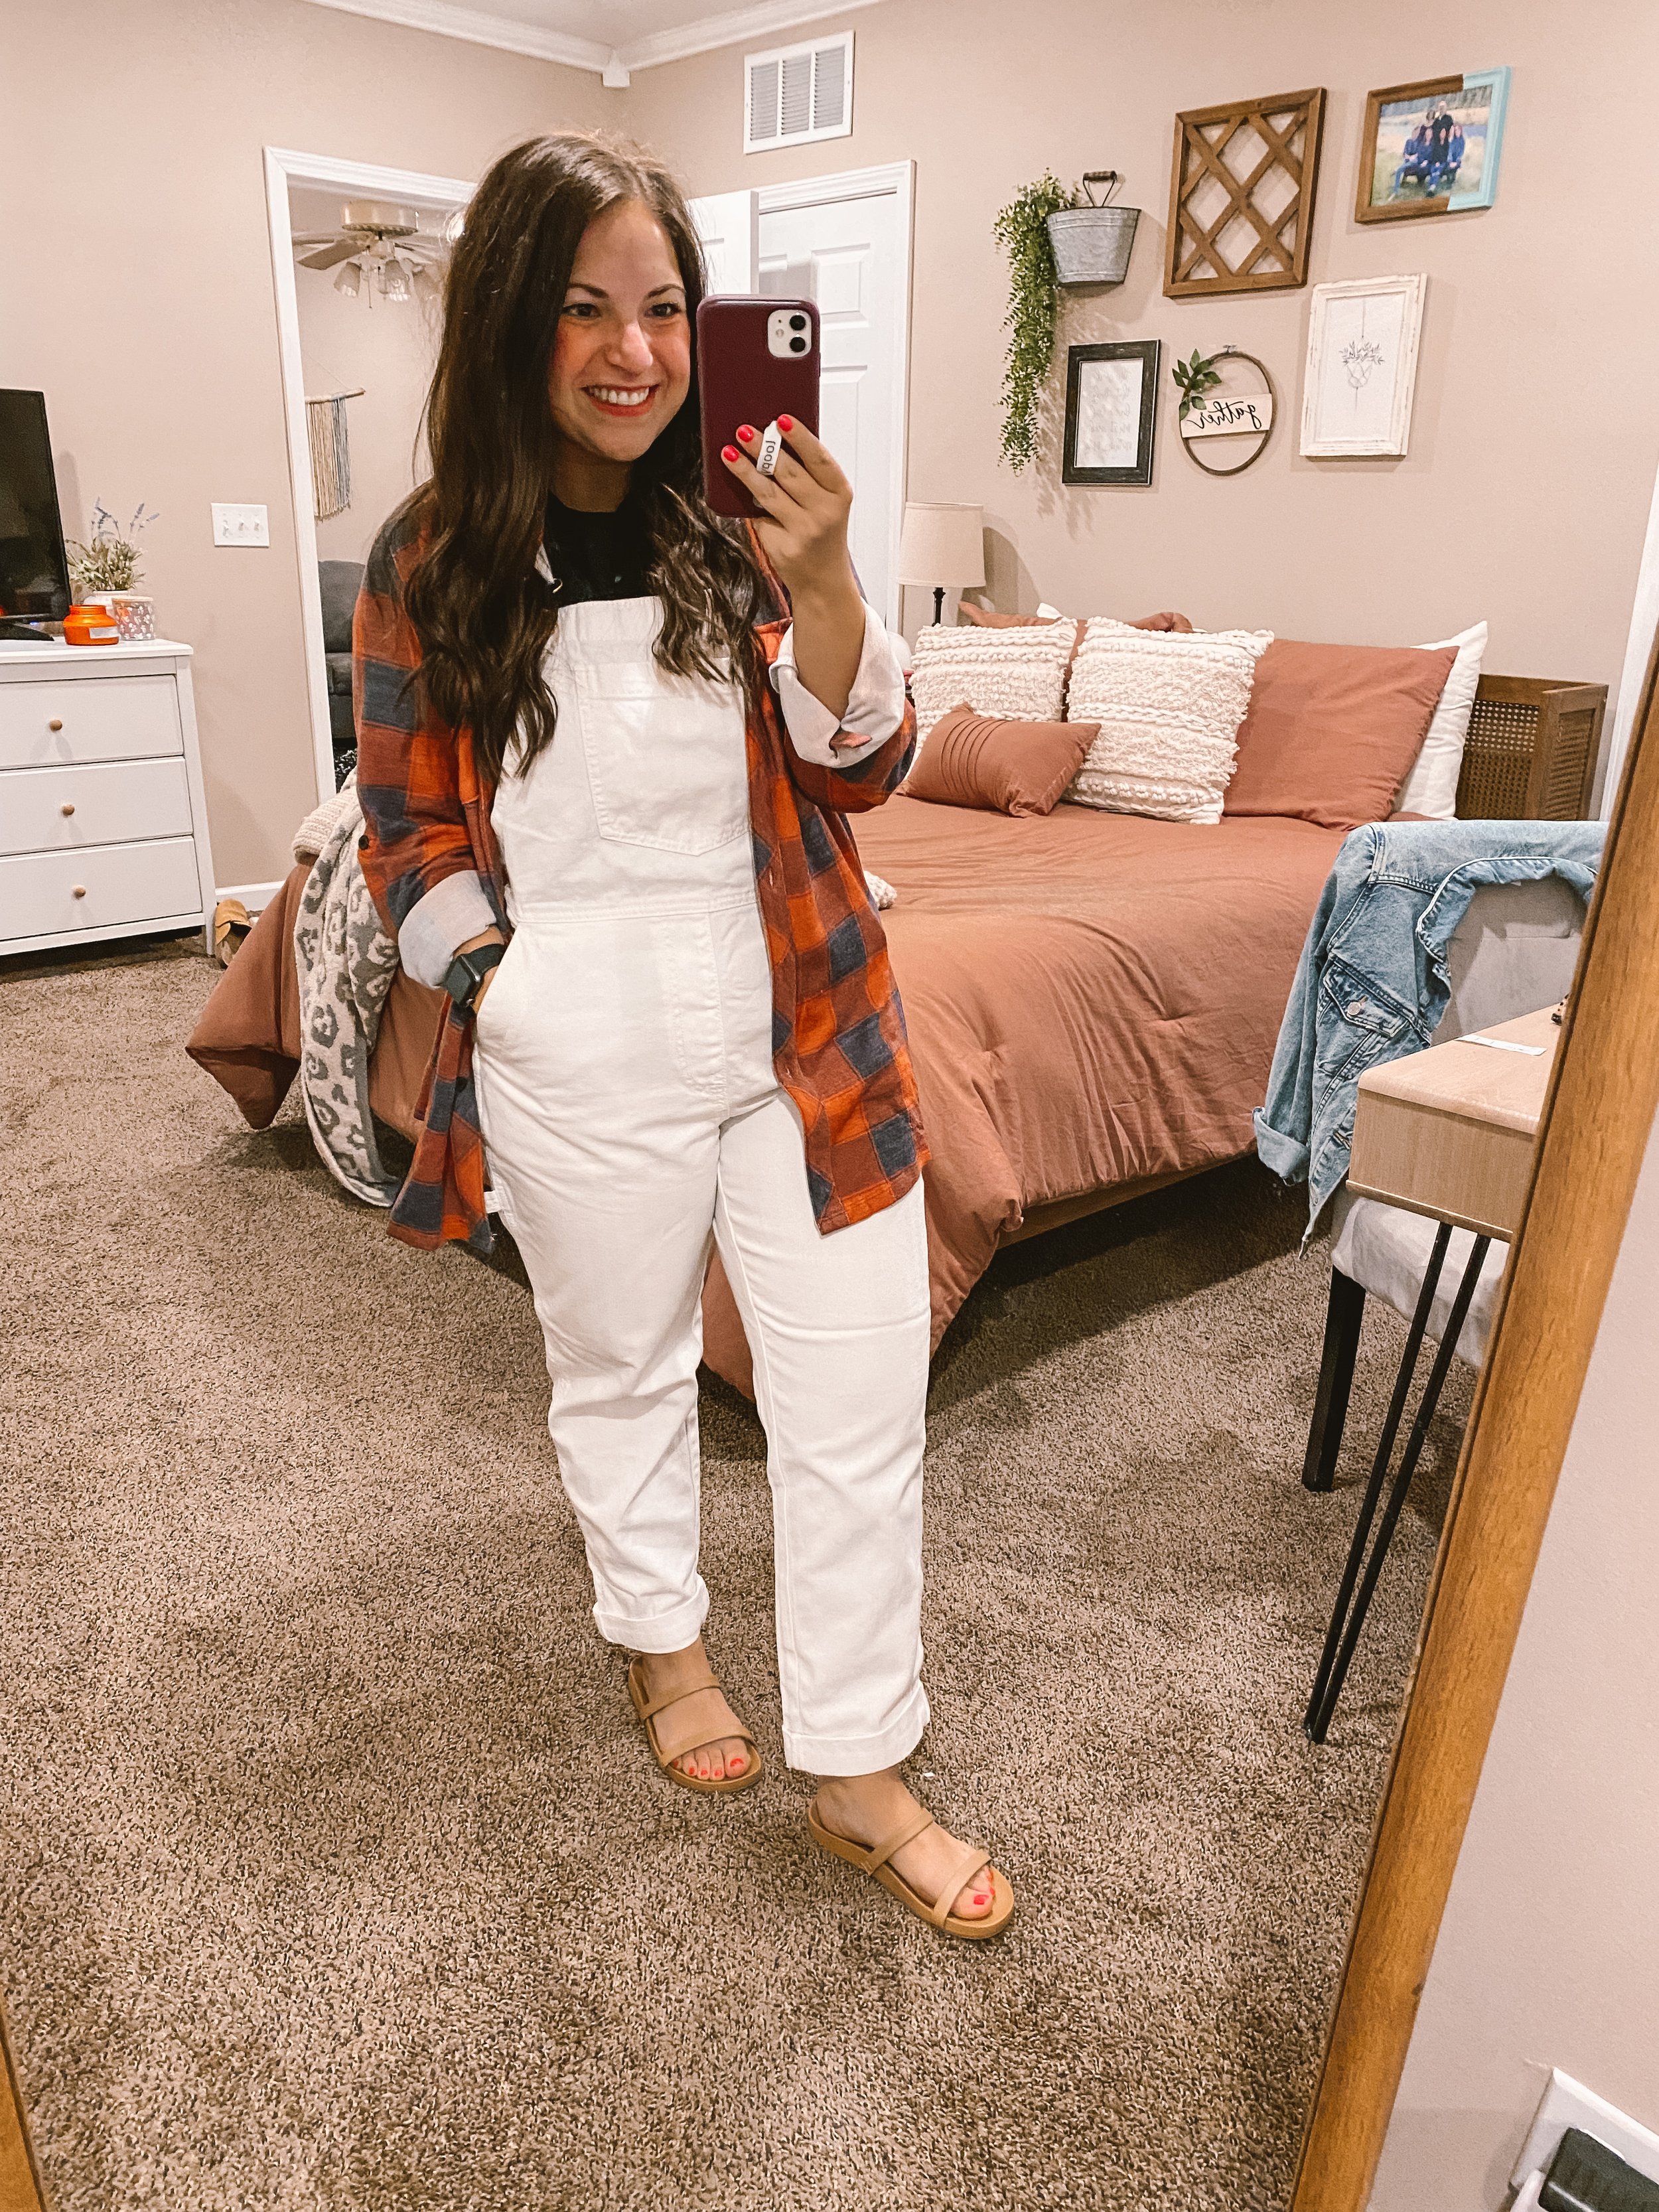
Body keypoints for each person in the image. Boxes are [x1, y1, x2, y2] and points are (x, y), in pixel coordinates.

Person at [354, 131, 1014, 1939]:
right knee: (621, 1370)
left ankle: (860, 1768)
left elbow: (864, 768)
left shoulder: (749, 516)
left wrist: (837, 582)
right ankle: (660, 1642)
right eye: (584, 309)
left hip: (806, 1024)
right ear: (513, 323)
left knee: (858, 1407)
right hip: (575, 1039)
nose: (633, 352)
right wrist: (499, 985)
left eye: (662, 307)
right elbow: (403, 826)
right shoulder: (429, 556)